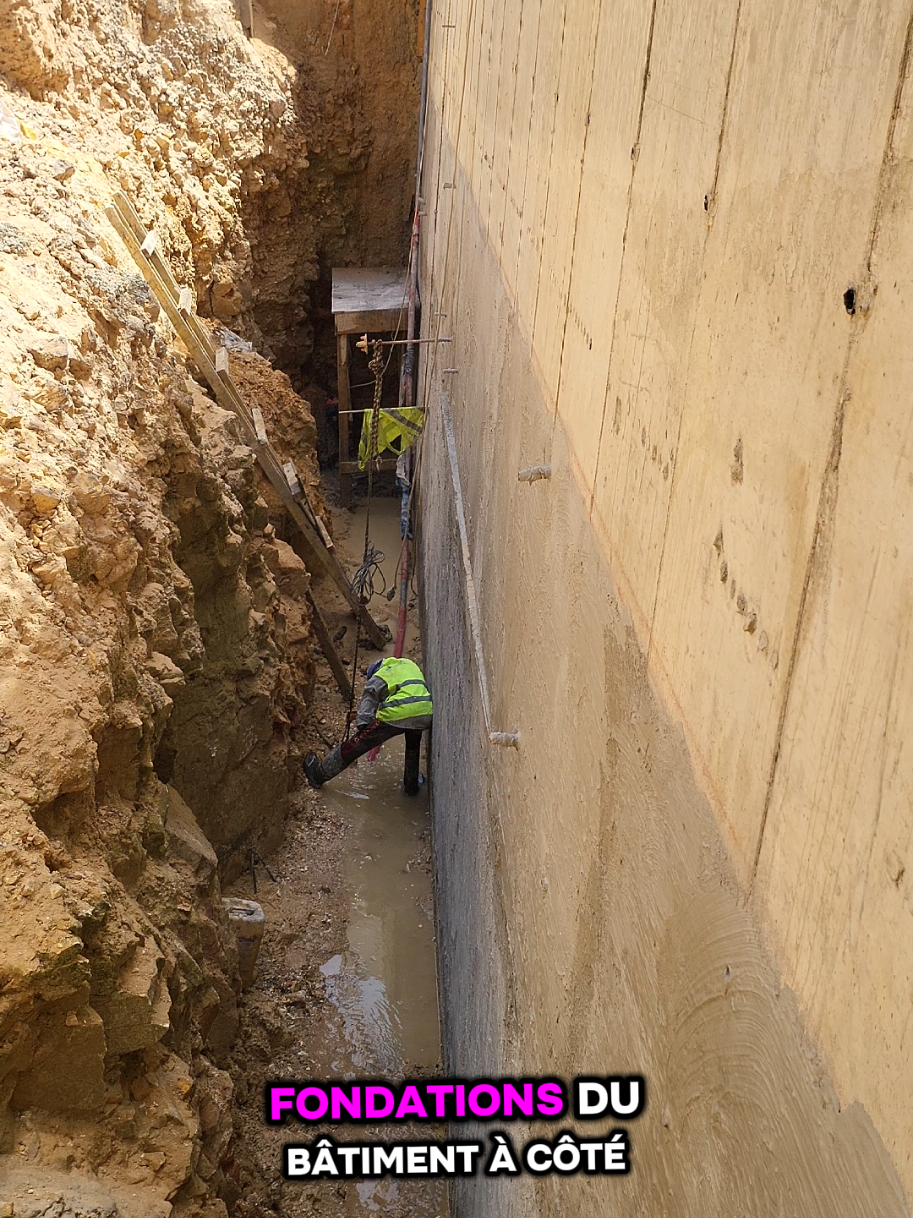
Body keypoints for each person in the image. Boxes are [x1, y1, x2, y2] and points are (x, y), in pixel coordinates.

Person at [303, 656, 433, 795]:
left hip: (399, 712)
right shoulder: (408, 664)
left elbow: (370, 695)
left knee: (353, 746)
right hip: (425, 712)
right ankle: (411, 787)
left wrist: (363, 725)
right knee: (413, 747)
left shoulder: (382, 673)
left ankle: (318, 775)